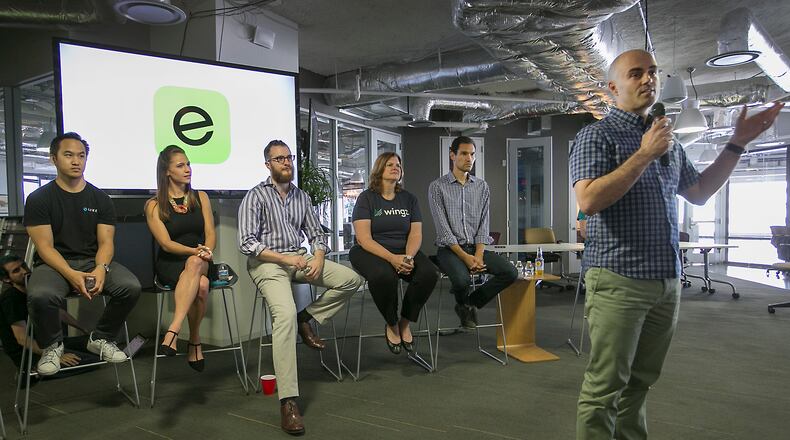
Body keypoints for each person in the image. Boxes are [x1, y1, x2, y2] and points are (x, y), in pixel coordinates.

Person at [570, 49, 784, 440]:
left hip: (666, 283)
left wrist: (736, 143)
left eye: (652, 71)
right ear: (613, 88)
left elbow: (700, 192)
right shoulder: (596, 135)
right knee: (605, 388)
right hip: (618, 279)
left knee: (640, 383)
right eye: (636, 73)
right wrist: (644, 154)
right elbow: (588, 200)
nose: (648, 79)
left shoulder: (669, 142)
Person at [238, 140, 364, 435]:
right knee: (283, 315)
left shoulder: (301, 197)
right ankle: (288, 402)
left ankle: (307, 318)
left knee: (350, 280)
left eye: (289, 157)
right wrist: (286, 259)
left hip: (298, 259)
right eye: (279, 158)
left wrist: (318, 256)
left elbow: (317, 233)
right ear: (268, 164)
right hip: (268, 263)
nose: (286, 162)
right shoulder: (256, 196)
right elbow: (247, 243)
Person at [24, 132, 142, 377]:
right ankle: (53, 346)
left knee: (130, 286)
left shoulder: (100, 198)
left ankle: (101, 338)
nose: (76, 161)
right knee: (40, 294)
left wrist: (101, 268)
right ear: (53, 159)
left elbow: (106, 242)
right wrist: (70, 274)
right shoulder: (38, 199)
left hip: (91, 261)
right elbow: (45, 247)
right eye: (68, 155)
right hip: (54, 264)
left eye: (81, 155)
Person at [349, 152, 439, 354]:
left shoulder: (409, 199)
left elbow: (415, 234)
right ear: (379, 169)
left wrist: (407, 257)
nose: (395, 167)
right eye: (390, 164)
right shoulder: (366, 198)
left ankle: (404, 322)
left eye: (398, 164)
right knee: (384, 276)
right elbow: (364, 239)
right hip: (371, 250)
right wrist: (391, 258)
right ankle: (391, 323)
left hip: (404, 249)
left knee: (429, 274)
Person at [428, 136, 518, 329]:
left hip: (476, 248)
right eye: (464, 154)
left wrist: (477, 255)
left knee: (510, 272)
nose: (469, 158)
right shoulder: (437, 187)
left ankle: (468, 304)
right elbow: (443, 229)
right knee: (461, 282)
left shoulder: (482, 186)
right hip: (449, 250)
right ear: (453, 155)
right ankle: (462, 302)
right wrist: (466, 258)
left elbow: (484, 225)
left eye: (472, 154)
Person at [145, 145, 215, 372]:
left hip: (202, 259)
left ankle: (173, 331)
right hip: (171, 262)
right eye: (180, 165)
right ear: (167, 171)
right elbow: (166, 244)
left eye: (188, 164)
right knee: (202, 286)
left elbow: (210, 233)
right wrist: (194, 252)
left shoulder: (201, 197)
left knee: (196, 265)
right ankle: (194, 340)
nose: (188, 169)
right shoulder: (154, 205)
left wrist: (205, 251)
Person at [0, 254, 89, 371]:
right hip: (30, 355)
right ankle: (32, 372)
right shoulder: (11, 299)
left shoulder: (32, 290)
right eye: (16, 271)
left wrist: (85, 329)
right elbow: (21, 338)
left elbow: (57, 312)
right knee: (91, 361)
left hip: (47, 344)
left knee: (90, 344)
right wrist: (56, 357)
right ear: (7, 279)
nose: (24, 271)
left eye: (23, 266)